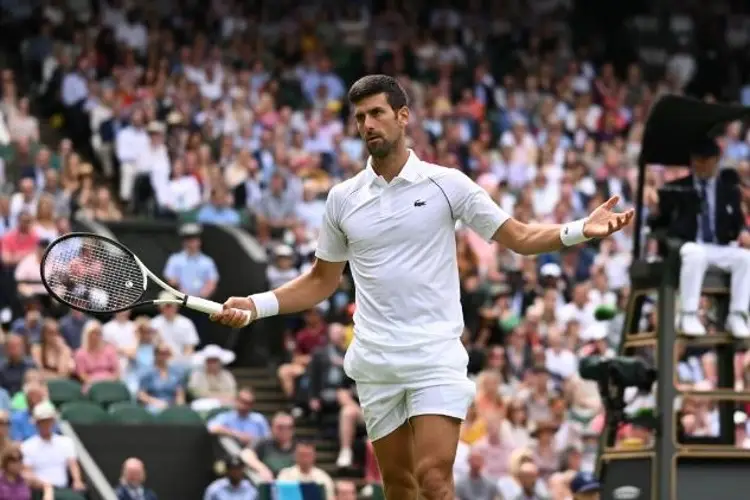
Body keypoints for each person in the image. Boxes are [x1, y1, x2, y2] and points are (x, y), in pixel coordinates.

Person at [211, 75, 633, 499]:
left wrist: (580, 229)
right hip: (376, 363)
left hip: (435, 356)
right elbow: (321, 281)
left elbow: (518, 237)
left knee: (434, 480)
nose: (368, 124)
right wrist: (256, 304)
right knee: (398, 486)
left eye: (377, 113)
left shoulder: (448, 185)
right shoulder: (342, 198)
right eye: (360, 118)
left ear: (402, 116)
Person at [649, 137, 750, 338]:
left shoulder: (728, 190)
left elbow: (736, 225)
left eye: (706, 160)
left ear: (716, 160)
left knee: (745, 258)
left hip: (716, 246)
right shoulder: (678, 187)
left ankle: (737, 315)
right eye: (697, 160)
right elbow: (658, 222)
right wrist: (655, 208)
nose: (701, 165)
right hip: (688, 246)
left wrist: (742, 233)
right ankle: (688, 314)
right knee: (696, 254)